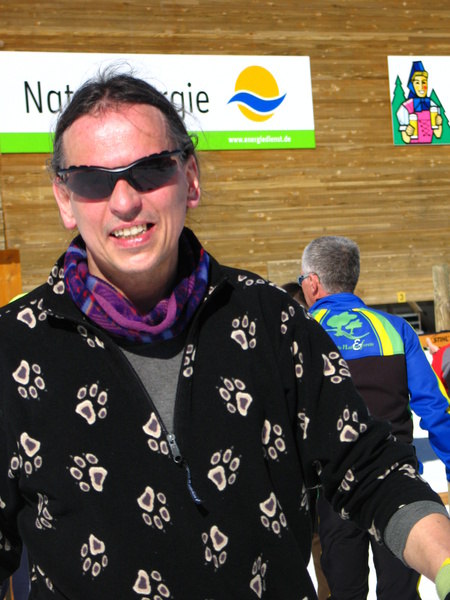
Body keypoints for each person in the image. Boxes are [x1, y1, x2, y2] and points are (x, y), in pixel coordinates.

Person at [0, 71, 449, 600]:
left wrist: (445, 565)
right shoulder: (14, 348)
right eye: (93, 180)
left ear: (190, 177)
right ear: (65, 198)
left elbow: (370, 469)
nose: (124, 201)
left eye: (149, 169)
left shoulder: (269, 320)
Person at [300, 234, 450, 600]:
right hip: (397, 484)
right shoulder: (395, 329)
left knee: (345, 591)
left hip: (333, 490)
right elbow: (436, 408)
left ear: (313, 283)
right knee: (400, 592)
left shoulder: (299, 332)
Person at [396, 60, 443, 144]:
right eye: (417, 83)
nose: (421, 86)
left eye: (423, 82)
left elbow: (438, 134)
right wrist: (408, 132)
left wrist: (439, 123)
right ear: (412, 85)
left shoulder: (432, 105)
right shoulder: (405, 107)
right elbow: (406, 140)